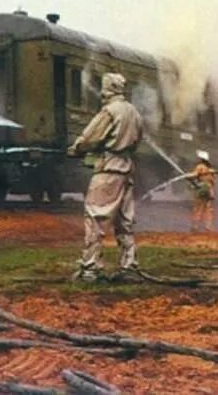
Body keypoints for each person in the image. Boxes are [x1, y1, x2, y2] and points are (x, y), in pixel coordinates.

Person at [67, 73, 144, 281]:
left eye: (103, 87)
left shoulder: (109, 111)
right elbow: (137, 141)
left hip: (108, 169)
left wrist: (76, 148)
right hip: (126, 170)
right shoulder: (134, 112)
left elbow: (90, 138)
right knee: (125, 221)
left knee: (95, 217)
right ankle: (129, 267)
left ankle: (90, 268)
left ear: (109, 88)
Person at [188, 150, 216, 232]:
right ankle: (209, 227)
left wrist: (187, 176)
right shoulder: (211, 169)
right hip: (210, 189)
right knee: (209, 208)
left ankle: (195, 226)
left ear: (201, 159)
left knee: (198, 207)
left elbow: (194, 175)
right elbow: (213, 181)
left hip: (202, 188)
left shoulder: (200, 166)